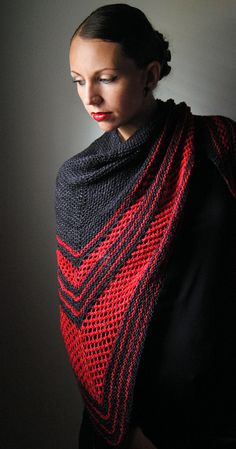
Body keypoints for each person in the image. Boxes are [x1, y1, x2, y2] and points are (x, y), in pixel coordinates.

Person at [55, 4, 236, 448]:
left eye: (106, 78)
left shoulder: (217, 142)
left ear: (150, 74)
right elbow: (81, 321)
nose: (89, 98)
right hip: (139, 413)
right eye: (79, 80)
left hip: (222, 401)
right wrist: (131, 433)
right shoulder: (79, 181)